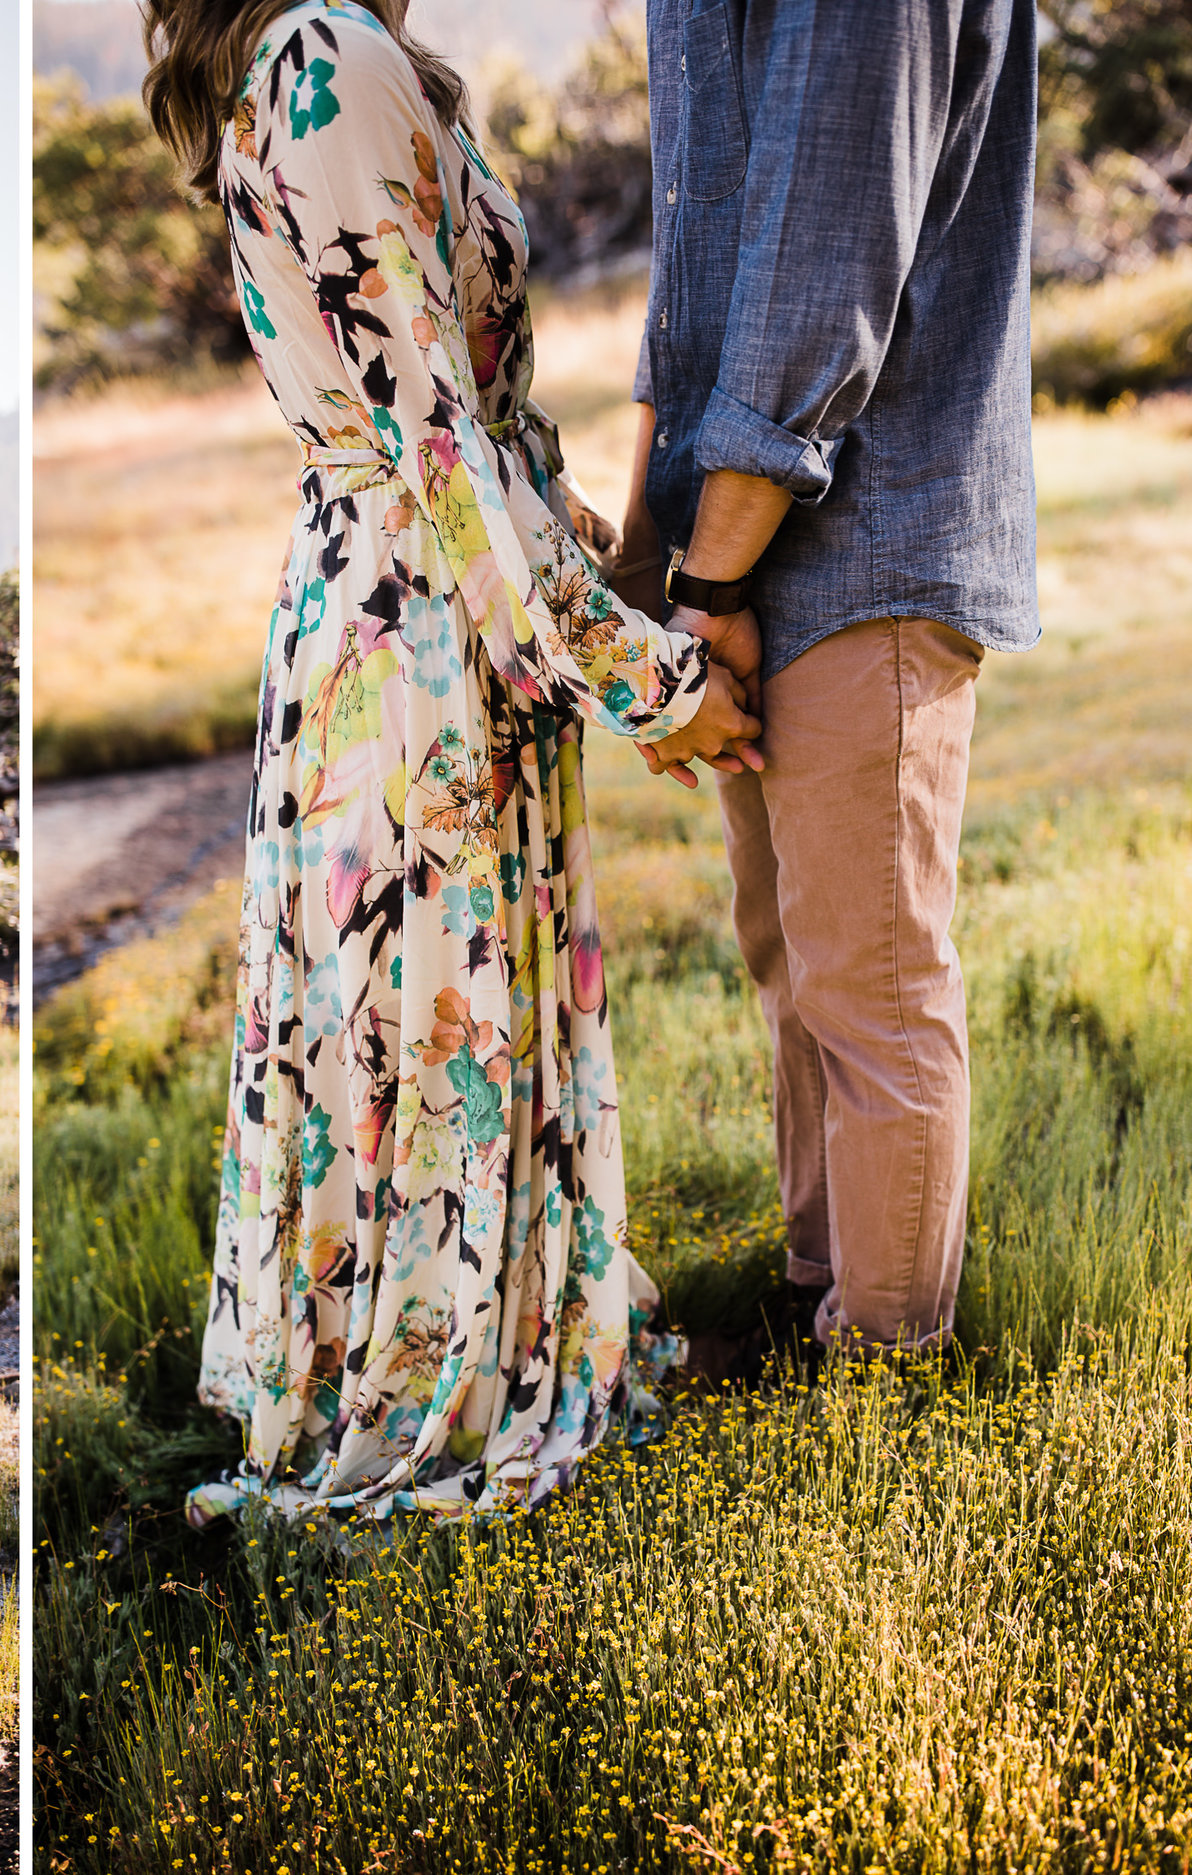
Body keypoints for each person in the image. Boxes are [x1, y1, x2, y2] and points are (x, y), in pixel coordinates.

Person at [146, 0, 765, 1525]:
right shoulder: (326, 60)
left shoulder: (350, 56)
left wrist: (595, 568)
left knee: (436, 1020)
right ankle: (430, 1377)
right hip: (414, 620)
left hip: (428, 595)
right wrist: (643, 676)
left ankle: (471, 1337)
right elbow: (432, 432)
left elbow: (483, 422)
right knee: (428, 1025)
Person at [614, 0, 1037, 1348]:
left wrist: (711, 582)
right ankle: (819, 1291)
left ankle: (884, 1378)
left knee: (872, 980)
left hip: (868, 530)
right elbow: (695, 273)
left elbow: (825, 272)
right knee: (789, 956)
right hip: (735, 534)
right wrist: (652, 558)